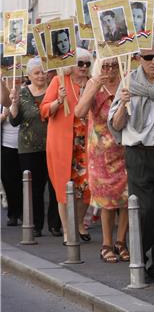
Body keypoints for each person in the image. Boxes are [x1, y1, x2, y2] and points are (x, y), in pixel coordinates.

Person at [108, 41, 154, 284]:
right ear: (139, 59)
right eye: (148, 58)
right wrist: (123, 107)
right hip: (137, 152)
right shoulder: (128, 83)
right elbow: (116, 125)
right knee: (148, 209)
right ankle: (139, 254)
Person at [75, 58, 129, 262]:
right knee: (107, 198)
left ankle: (121, 241)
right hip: (100, 151)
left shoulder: (127, 81)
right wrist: (94, 85)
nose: (110, 70)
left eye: (114, 65)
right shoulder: (92, 83)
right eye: (106, 66)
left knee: (126, 196)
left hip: (124, 147)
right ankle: (106, 243)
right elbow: (79, 112)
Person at [41, 48, 93, 240]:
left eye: (87, 64)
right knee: (63, 187)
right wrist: (58, 100)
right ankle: (66, 230)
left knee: (87, 187)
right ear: (72, 64)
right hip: (62, 143)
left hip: (85, 142)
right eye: (80, 64)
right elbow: (44, 110)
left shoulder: (92, 83)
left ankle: (78, 222)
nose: (84, 68)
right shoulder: (59, 81)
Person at [8, 59, 61, 235]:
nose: (41, 76)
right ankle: (36, 226)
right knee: (34, 189)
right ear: (29, 76)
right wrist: (14, 103)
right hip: (29, 148)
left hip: (53, 145)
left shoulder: (55, 91)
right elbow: (14, 121)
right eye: (36, 73)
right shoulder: (22, 93)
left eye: (43, 72)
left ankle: (55, 225)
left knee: (55, 187)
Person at [1, 79, 22, 227]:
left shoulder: (25, 92)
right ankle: (13, 213)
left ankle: (23, 212)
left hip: (24, 144)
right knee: (9, 180)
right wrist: (4, 114)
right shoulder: (2, 95)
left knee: (24, 180)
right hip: (6, 144)